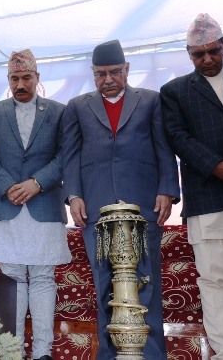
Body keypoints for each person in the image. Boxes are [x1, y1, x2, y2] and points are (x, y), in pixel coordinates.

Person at [62, 39, 180, 360]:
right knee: (104, 285)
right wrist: (73, 195)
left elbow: (163, 148)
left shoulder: (150, 100)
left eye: (115, 71)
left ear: (127, 69)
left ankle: (152, 356)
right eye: (100, 74)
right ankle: (110, 356)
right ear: (93, 74)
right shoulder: (77, 106)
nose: (108, 79)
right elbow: (70, 156)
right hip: (96, 211)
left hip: (144, 207)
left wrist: (167, 190)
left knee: (146, 283)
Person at [160, 14, 223, 360]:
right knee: (214, 284)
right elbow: (177, 137)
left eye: (213, 51)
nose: (208, 59)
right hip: (207, 198)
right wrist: (216, 166)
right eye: (199, 54)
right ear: (189, 54)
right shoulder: (175, 91)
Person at [0, 49, 71, 360]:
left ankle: (43, 352)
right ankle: (12, 352)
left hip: (44, 205)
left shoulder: (58, 111)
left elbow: (65, 155)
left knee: (43, 278)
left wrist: (37, 182)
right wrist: (8, 187)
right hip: (6, 207)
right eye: (14, 78)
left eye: (26, 77)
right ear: (8, 79)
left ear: (37, 78)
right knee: (12, 279)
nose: (20, 84)